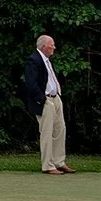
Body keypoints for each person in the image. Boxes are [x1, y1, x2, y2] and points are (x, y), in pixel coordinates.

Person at [23, 34, 73, 174]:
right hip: (45, 100)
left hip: (55, 98)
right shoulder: (33, 60)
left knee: (60, 129)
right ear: (44, 46)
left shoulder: (47, 61)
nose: (54, 47)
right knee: (47, 132)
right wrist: (42, 99)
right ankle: (48, 165)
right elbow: (30, 83)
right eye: (52, 45)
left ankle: (59, 161)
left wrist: (56, 95)